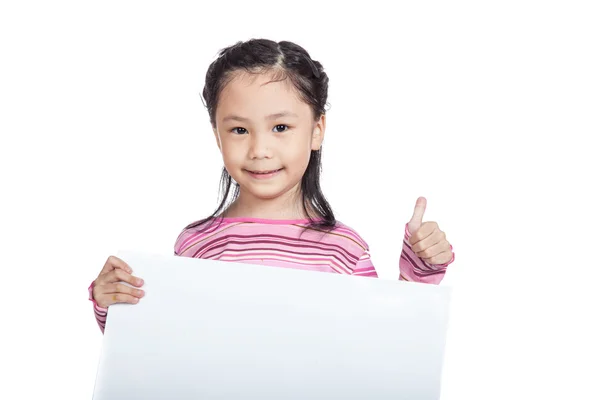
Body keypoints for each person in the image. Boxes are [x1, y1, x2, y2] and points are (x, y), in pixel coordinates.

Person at [89, 38, 455, 333]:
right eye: (239, 130)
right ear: (217, 136)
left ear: (316, 130)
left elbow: (385, 342)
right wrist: (112, 304)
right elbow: (162, 346)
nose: (260, 150)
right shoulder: (194, 244)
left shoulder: (344, 249)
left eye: (280, 127)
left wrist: (419, 269)